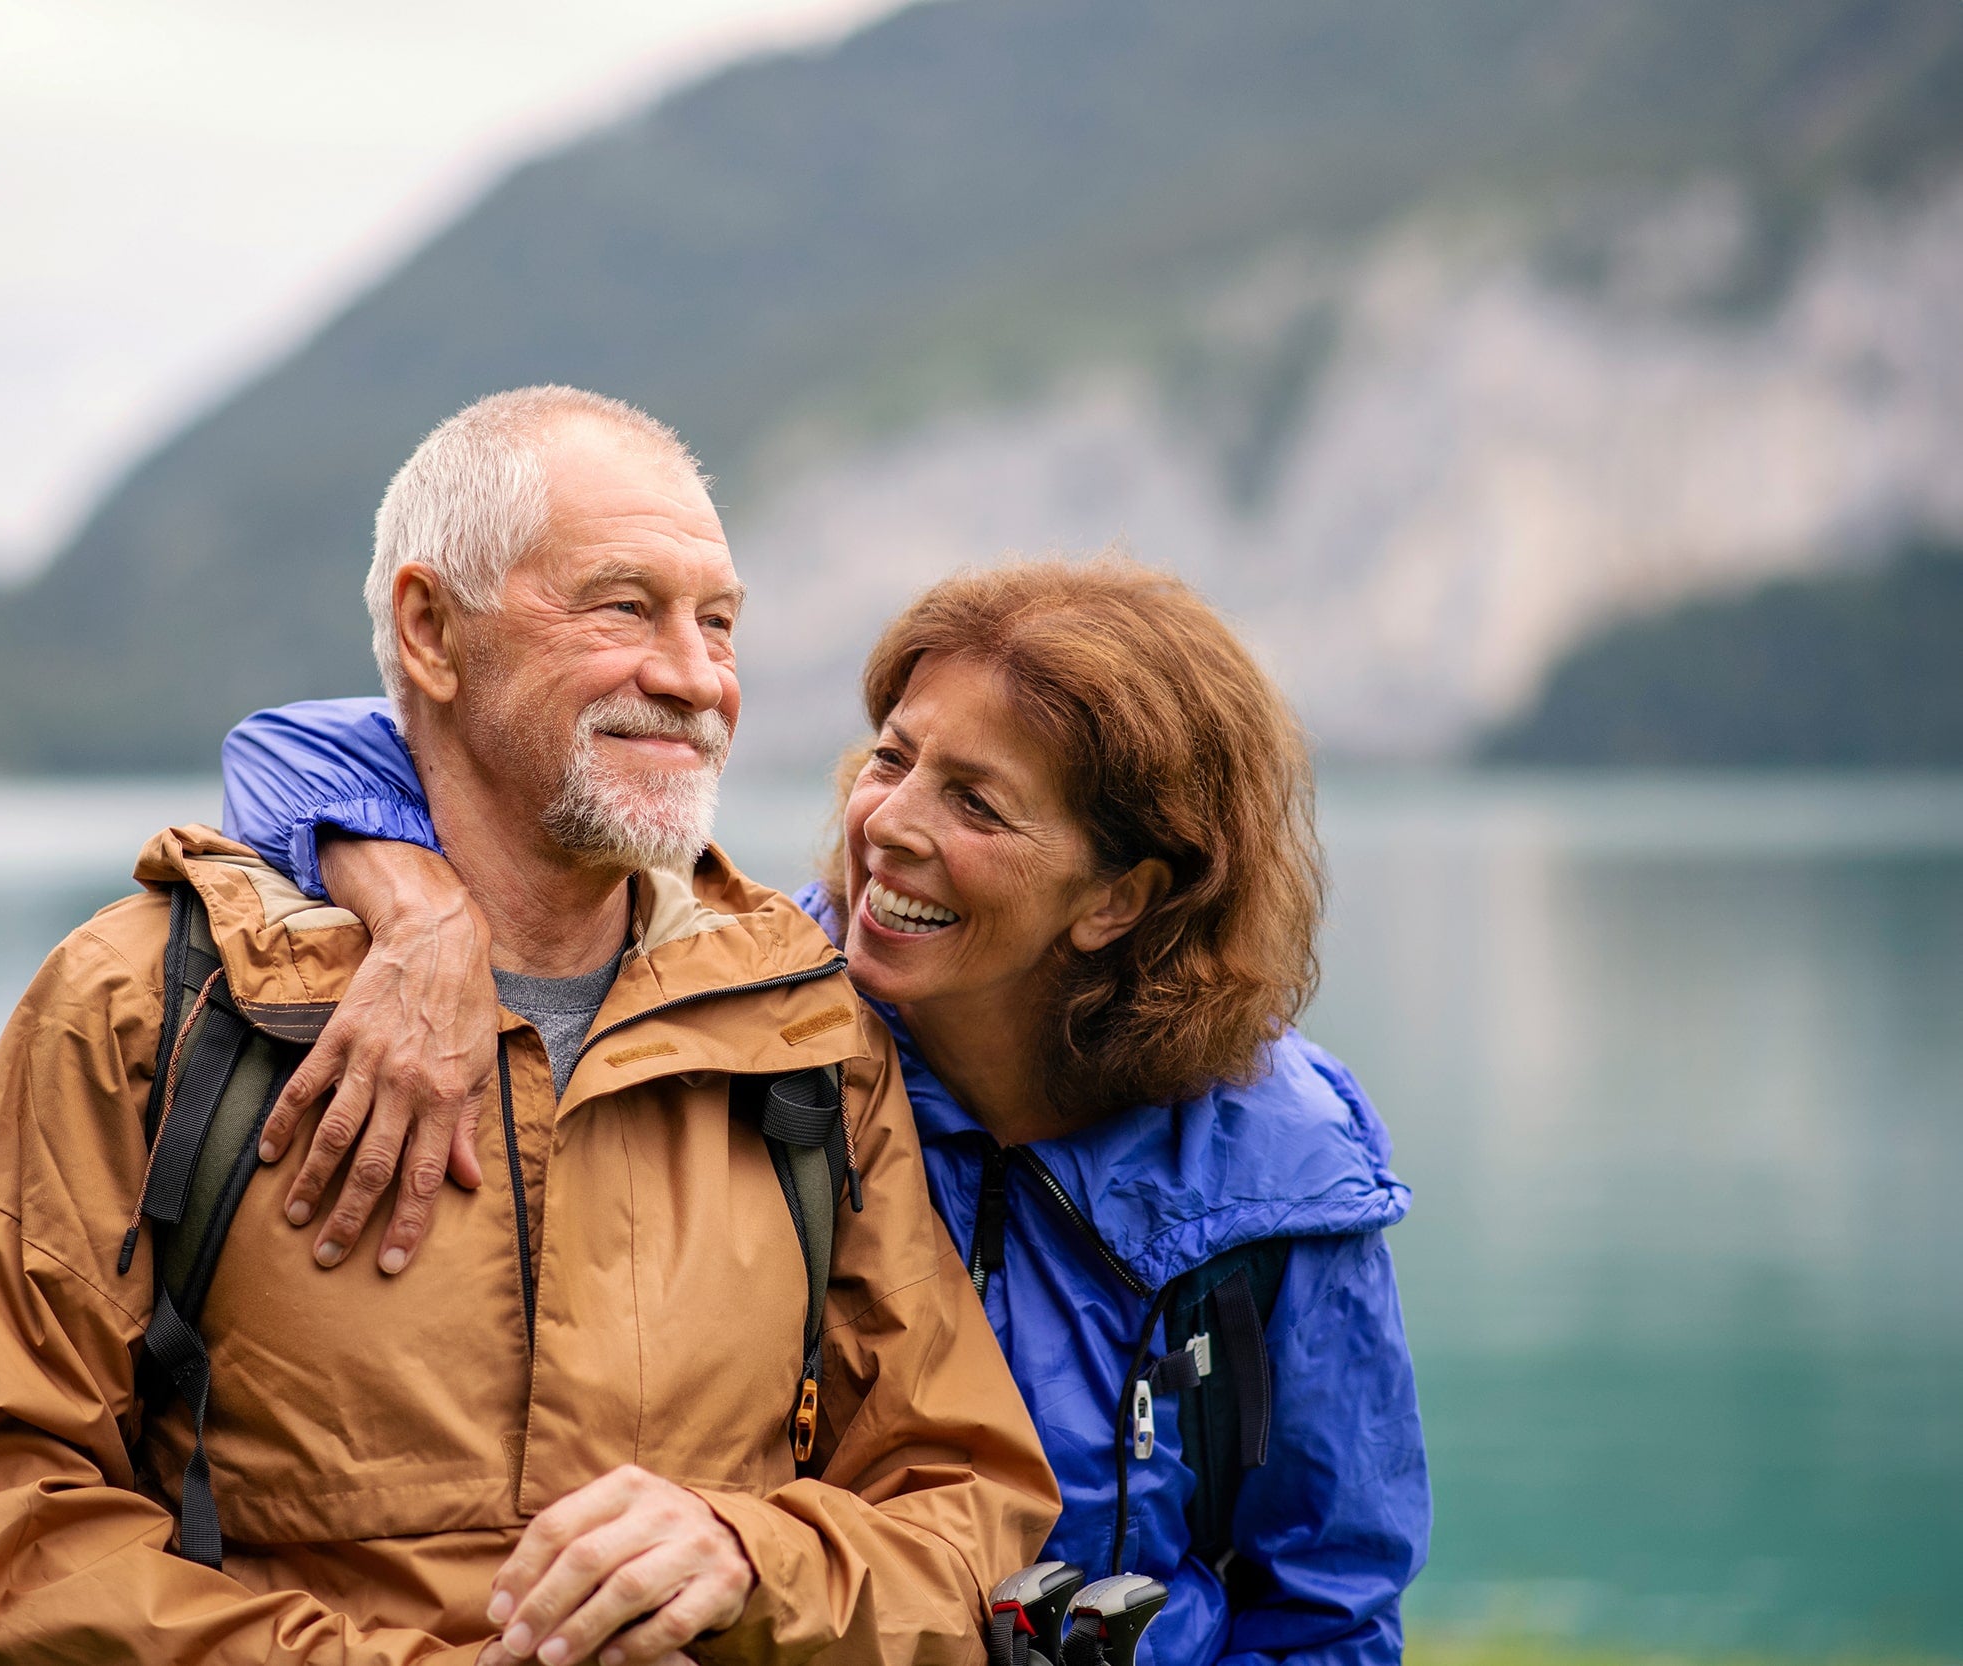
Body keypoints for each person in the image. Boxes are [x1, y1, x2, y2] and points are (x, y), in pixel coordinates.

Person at [0, 386, 1059, 1666]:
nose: (696, 677)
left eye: (717, 622)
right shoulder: (142, 1005)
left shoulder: (803, 1021)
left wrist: (748, 1559)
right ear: (430, 630)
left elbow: (969, 1507)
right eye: (622, 606)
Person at [220, 561, 1431, 1666]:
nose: (889, 825)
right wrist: (418, 906)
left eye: (977, 804)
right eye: (892, 758)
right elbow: (287, 749)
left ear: (1118, 897)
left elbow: (1327, 1604)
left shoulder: (1279, 1172)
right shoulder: (762, 1014)